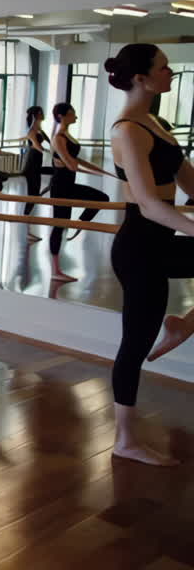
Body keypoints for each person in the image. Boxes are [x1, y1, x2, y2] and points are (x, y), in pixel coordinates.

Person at [106, 43, 194, 466]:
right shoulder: (126, 130)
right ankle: (125, 439)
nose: (170, 72)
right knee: (135, 345)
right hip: (139, 246)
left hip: (160, 239)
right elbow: (147, 204)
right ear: (141, 78)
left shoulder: (157, 124)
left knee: (141, 339)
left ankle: (181, 324)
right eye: (164, 67)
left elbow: (191, 184)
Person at [48, 102, 112, 282]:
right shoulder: (58, 137)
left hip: (68, 184)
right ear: (61, 116)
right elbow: (71, 164)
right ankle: (55, 270)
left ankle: (79, 224)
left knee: (101, 198)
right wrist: (93, 172)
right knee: (59, 226)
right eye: (72, 113)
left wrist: (103, 171)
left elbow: (76, 161)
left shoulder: (68, 135)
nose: (76, 116)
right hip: (60, 186)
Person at [21, 106, 56, 242]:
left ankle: (44, 192)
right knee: (32, 197)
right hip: (31, 166)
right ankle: (26, 230)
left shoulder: (40, 130)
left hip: (37, 166)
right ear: (35, 115)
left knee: (35, 195)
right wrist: (53, 154)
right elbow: (37, 146)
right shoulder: (31, 131)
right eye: (41, 112)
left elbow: (51, 143)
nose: (43, 114)